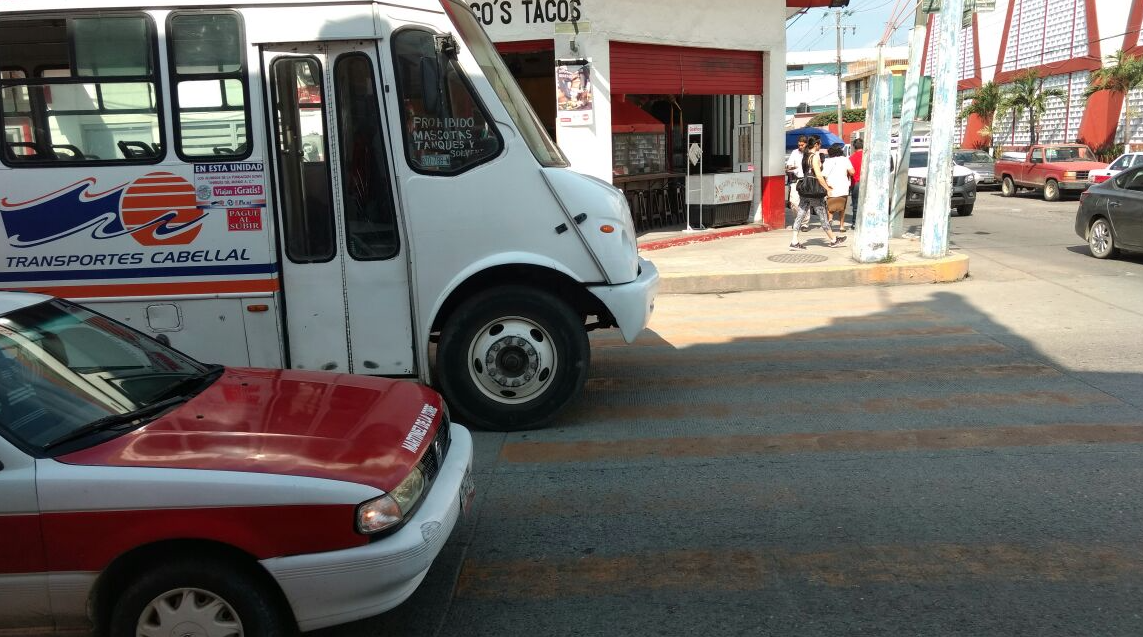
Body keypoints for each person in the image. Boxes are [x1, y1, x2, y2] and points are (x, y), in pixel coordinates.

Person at [790, 136, 846, 251]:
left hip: (805, 188)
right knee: (822, 214)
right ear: (816, 145)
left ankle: (794, 240)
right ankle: (833, 239)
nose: (820, 146)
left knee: (801, 213)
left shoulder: (805, 156)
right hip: (814, 190)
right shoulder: (814, 157)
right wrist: (827, 188)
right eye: (820, 144)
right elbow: (818, 176)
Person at [823, 143, 854, 232]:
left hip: (831, 186)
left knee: (830, 206)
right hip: (843, 186)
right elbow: (852, 172)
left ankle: (830, 220)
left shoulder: (827, 161)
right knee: (842, 207)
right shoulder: (845, 160)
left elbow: (824, 175)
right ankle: (841, 226)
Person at [786, 136, 807, 216]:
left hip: (806, 180)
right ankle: (798, 219)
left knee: (805, 202)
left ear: (806, 144)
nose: (800, 147)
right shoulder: (795, 152)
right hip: (796, 179)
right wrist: (790, 168)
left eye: (802, 145)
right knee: (793, 201)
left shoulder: (809, 153)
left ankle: (804, 223)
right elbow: (789, 164)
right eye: (799, 145)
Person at [849, 138, 864, 221]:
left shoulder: (851, 158)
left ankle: (855, 222)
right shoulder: (868, 157)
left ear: (854, 147)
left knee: (856, 204)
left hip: (855, 183)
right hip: (867, 183)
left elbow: (848, 173)